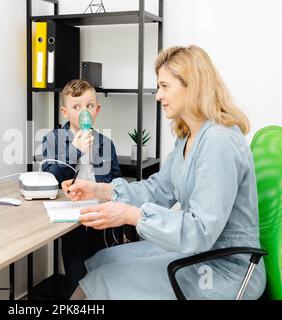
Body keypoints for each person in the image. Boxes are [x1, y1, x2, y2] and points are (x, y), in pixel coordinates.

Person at [63, 45, 266, 300]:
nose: (158, 95)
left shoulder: (218, 142)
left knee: (101, 280)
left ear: (192, 86)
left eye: (164, 86)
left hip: (225, 270)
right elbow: (159, 189)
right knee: (103, 259)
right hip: (200, 255)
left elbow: (200, 230)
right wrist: (98, 190)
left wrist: (131, 215)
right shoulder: (188, 136)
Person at [41, 79, 122, 297]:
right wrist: (75, 150)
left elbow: (118, 184)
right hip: (72, 223)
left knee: (105, 280)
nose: (83, 112)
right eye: (76, 107)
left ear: (97, 110)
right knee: (77, 280)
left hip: (102, 221)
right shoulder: (52, 139)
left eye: (89, 106)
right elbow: (50, 178)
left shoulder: (106, 143)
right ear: (65, 112)